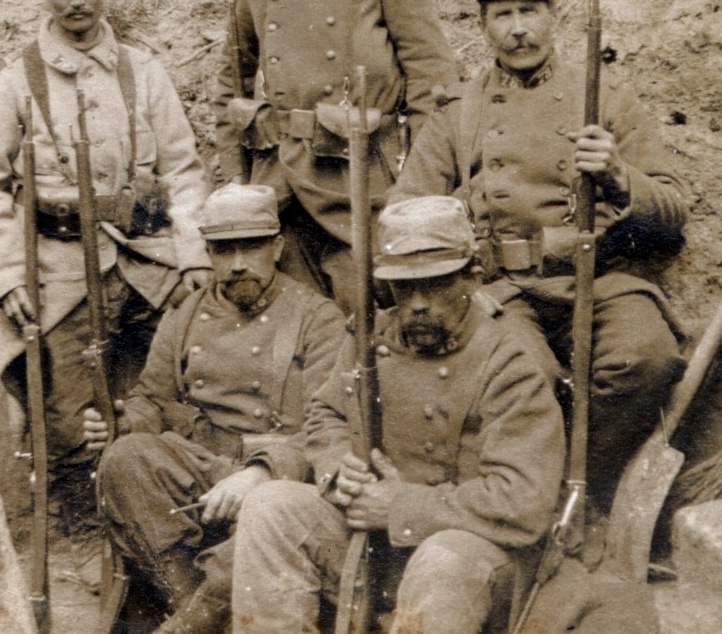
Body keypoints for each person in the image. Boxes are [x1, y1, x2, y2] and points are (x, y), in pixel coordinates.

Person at [391, 0, 688, 513]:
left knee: (648, 357)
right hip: (504, 289)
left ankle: (584, 491)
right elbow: (406, 208)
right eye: (503, 14)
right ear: (483, 26)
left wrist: (621, 176)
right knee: (529, 379)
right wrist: (459, 215)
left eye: (529, 11)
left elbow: (673, 211)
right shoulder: (459, 112)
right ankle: (533, 500)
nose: (518, 28)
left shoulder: (606, 98)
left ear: (554, 17)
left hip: (601, 279)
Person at [0, 0, 212, 527]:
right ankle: (83, 529)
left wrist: (195, 254)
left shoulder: (143, 69)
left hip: (147, 260)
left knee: (177, 381)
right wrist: (2, 277)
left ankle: (169, 512)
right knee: (69, 414)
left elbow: (182, 168)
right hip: (59, 268)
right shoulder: (12, 77)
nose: (77, 0)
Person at [230, 196, 565, 634]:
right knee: (270, 505)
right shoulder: (371, 338)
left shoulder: (511, 361)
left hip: (474, 556)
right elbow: (327, 413)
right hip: (377, 545)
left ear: (473, 278)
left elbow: (522, 501)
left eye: (437, 283)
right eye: (404, 287)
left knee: (441, 559)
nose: (419, 303)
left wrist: (400, 506)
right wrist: (337, 468)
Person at [85, 183, 347, 634]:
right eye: (225, 250)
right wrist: (118, 422)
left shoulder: (317, 319)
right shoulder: (185, 315)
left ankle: (193, 622)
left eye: (252, 247)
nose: (238, 263)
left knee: (266, 518)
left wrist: (261, 473)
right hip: (200, 471)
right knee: (123, 460)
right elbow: (153, 399)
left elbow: (328, 429)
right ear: (208, 252)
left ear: (277, 247)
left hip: (279, 477)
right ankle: (195, 605)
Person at [213, 0, 458, 314]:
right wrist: (235, 183)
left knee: (365, 304)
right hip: (279, 179)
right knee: (284, 315)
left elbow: (434, 81)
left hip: (360, 177)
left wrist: (417, 186)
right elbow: (231, 86)